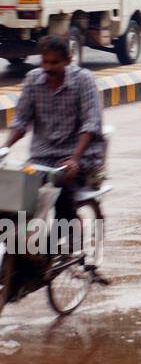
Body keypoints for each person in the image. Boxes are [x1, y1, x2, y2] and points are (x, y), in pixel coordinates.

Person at [2, 35, 104, 224]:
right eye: (45, 62)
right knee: (10, 195)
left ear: (68, 59)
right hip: (41, 159)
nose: (48, 68)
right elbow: (21, 121)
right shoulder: (33, 80)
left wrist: (74, 159)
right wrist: (4, 147)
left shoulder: (84, 80)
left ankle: (64, 244)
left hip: (77, 158)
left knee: (62, 194)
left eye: (55, 62)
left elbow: (91, 124)